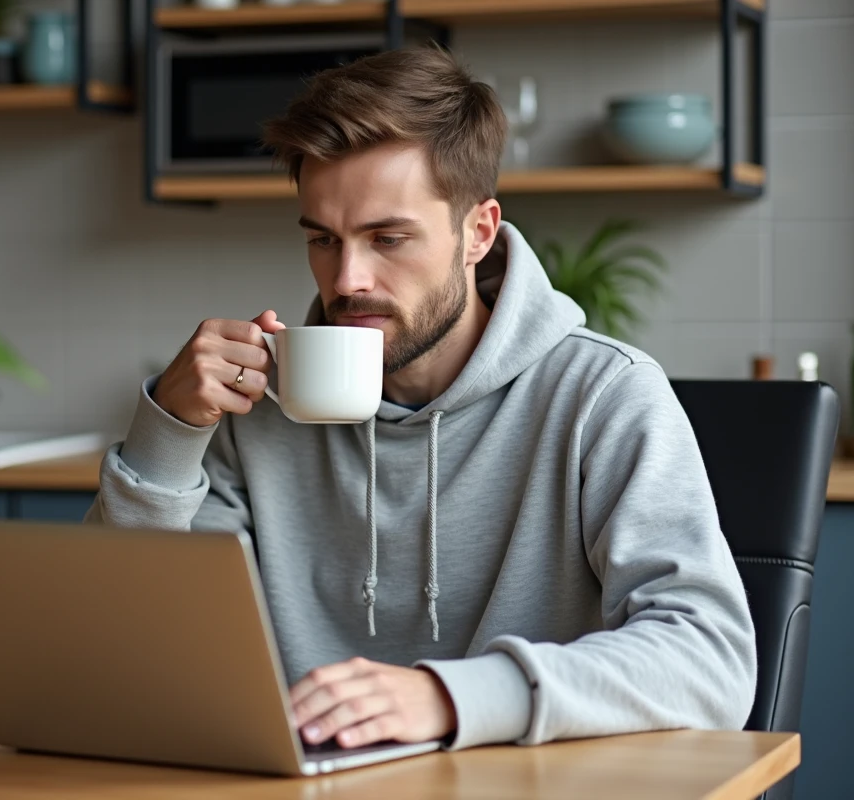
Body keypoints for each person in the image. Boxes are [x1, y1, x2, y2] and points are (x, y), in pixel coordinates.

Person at [85, 46, 756, 752]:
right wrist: (165, 438)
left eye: (387, 238)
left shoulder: (602, 396)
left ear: (478, 232)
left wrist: (450, 696)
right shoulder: (259, 411)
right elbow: (110, 648)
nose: (346, 280)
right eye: (324, 239)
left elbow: (711, 661)